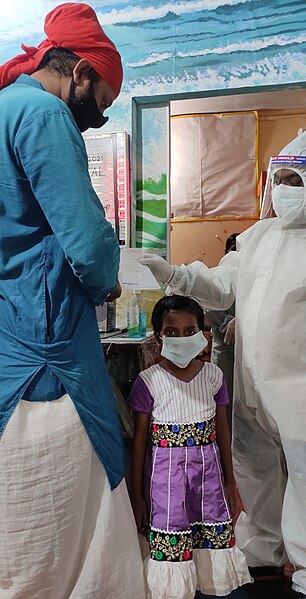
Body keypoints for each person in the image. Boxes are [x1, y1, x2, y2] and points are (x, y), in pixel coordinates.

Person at [140, 131, 306, 599]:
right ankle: (262, 553)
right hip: (252, 385)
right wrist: (172, 273)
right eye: (281, 178)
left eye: (298, 178)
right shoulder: (258, 236)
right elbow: (220, 286)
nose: (286, 187)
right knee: (256, 474)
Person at [0, 4, 145, 598]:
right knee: (63, 530)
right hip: (48, 352)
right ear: (79, 72)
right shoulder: (41, 113)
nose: (98, 116)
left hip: (11, 333)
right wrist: (105, 280)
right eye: (103, 103)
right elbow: (86, 242)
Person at [129, 295, 252, 599]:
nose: (181, 337)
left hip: (208, 481)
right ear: (158, 335)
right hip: (165, 485)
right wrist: (137, 496)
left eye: (189, 330)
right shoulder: (149, 381)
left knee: (207, 539)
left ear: (201, 333)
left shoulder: (213, 377)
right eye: (171, 332)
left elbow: (222, 431)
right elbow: (140, 443)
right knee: (172, 547)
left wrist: (230, 481)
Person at [207, 234, 238, 426]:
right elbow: (208, 310)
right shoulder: (216, 276)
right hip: (225, 351)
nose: (237, 253)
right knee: (223, 402)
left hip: (250, 353)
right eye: (233, 248)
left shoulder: (256, 276)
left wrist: (245, 320)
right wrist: (229, 320)